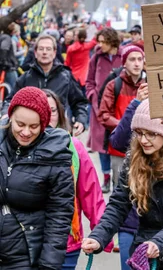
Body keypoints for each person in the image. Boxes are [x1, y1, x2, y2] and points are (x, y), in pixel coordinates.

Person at [82, 100, 163, 269]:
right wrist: (99, 237)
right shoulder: (134, 158)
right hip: (145, 249)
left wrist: (159, 243)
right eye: (139, 133)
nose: (143, 140)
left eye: (151, 134)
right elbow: (119, 204)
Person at [0, 87, 75, 269]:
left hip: (25, 256)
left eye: (34, 127)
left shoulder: (56, 154)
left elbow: (59, 215)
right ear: (10, 118)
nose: (26, 132)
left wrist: (49, 265)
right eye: (20, 124)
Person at [44, 89, 111, 269]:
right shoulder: (17, 149)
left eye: (52, 110)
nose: (47, 116)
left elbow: (91, 194)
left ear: (60, 114)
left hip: (68, 243)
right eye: (41, 110)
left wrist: (101, 235)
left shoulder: (74, 147)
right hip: (29, 242)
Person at [2, 35, 88, 136]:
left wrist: (81, 119)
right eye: (41, 49)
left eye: (48, 49)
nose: (44, 52)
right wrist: (5, 114)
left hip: (58, 132)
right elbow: (10, 101)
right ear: (35, 52)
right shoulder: (25, 77)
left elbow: (79, 102)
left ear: (54, 52)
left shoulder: (66, 76)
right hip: (30, 132)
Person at [98, 45, 146, 192]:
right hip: (120, 149)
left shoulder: (150, 84)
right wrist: (125, 127)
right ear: (124, 63)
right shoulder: (114, 85)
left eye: (140, 59)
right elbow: (104, 115)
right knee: (121, 190)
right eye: (132, 59)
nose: (137, 63)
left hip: (147, 146)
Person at [85, 27, 122, 193]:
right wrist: (92, 96)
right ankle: (106, 178)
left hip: (120, 108)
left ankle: (118, 179)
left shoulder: (124, 56)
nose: (100, 45)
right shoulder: (96, 57)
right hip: (98, 108)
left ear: (111, 41)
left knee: (119, 142)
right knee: (101, 145)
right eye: (98, 41)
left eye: (103, 41)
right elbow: (89, 81)